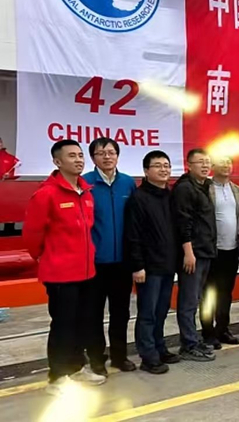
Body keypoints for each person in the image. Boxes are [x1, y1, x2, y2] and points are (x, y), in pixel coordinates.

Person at [23, 140, 106, 394]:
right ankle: (57, 376)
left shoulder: (86, 192)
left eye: (80, 155)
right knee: (63, 324)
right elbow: (32, 235)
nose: (78, 160)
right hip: (60, 274)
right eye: (72, 156)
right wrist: (44, 257)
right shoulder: (46, 194)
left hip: (87, 272)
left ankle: (77, 367)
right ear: (57, 162)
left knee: (82, 322)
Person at [83, 137, 137, 375]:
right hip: (94, 263)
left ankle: (119, 356)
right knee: (93, 314)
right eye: (101, 153)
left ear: (117, 155)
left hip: (122, 262)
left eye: (111, 152)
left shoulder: (128, 183)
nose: (107, 157)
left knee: (121, 313)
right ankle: (97, 359)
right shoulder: (85, 183)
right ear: (93, 157)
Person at [124, 150, 180, 374]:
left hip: (167, 264)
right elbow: (133, 235)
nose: (164, 169)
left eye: (167, 165)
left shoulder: (170, 195)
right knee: (147, 313)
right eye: (158, 165)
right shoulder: (138, 198)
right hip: (148, 267)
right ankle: (148, 356)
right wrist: (137, 266)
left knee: (162, 311)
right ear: (146, 171)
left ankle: (160, 348)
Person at [172, 148, 217, 361]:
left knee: (196, 298)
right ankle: (188, 345)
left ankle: (193, 339)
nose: (205, 165)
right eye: (200, 162)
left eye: (207, 162)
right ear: (189, 165)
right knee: (189, 300)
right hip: (193, 254)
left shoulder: (204, 186)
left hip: (205, 251)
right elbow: (183, 223)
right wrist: (188, 252)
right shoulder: (184, 189)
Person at [200, 157, 239, 349]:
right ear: (212, 166)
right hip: (212, 250)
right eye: (221, 162)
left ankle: (223, 329)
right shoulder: (206, 188)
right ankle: (208, 332)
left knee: (226, 293)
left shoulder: (237, 190)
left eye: (228, 162)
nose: (226, 166)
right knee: (209, 293)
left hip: (231, 249)